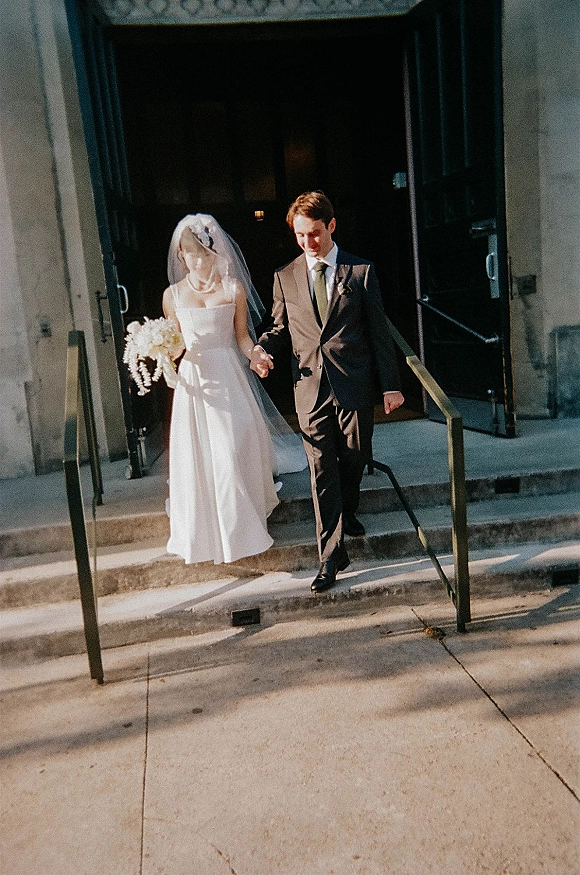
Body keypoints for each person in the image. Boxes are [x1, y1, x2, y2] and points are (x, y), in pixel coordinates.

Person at [250, 191, 404, 592]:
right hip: (310, 387)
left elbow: (378, 333)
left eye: (314, 233)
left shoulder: (360, 272)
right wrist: (262, 349)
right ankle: (331, 556)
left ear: (331, 226)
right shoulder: (285, 276)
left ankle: (348, 508)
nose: (308, 242)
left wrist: (391, 385)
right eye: (300, 235)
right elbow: (280, 328)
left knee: (353, 455)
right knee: (321, 469)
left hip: (354, 383)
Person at [162, 214, 306, 565]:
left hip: (228, 376)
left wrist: (257, 355)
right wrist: (161, 353)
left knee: (230, 452)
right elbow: (175, 343)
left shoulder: (233, 289)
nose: (192, 260)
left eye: (199, 252)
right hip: (196, 383)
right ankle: (206, 534)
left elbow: (243, 338)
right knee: (201, 459)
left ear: (213, 251)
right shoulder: (173, 295)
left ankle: (241, 532)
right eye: (186, 254)